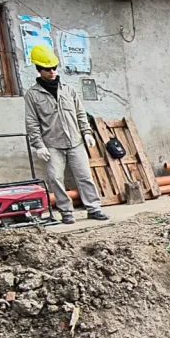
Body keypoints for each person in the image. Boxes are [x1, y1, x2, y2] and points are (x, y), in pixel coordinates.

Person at [24, 44, 108, 225]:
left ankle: (94, 208)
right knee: (56, 178)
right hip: (52, 144)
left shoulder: (68, 89)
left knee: (84, 176)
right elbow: (31, 121)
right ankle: (66, 212)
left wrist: (86, 133)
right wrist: (38, 145)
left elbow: (80, 113)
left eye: (54, 68)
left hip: (75, 141)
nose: (52, 71)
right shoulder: (32, 95)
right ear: (39, 70)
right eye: (48, 69)